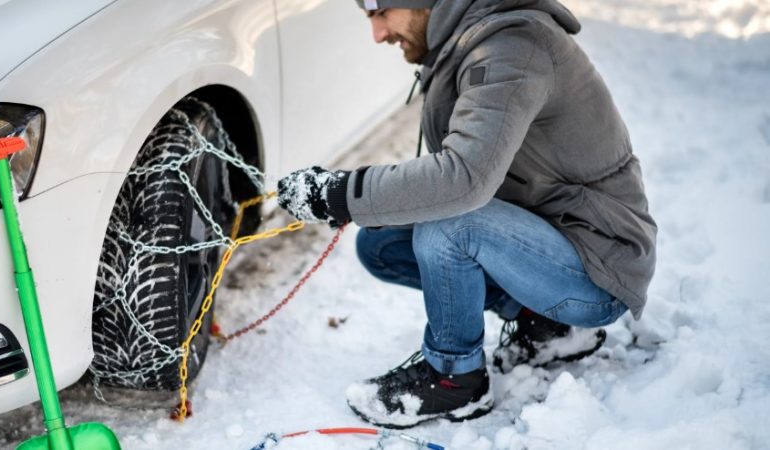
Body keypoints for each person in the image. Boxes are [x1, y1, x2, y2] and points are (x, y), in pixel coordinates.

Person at [276, 0, 657, 429]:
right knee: (381, 244)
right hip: (552, 237)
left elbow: (464, 179)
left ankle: (455, 380)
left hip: (599, 264)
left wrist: (340, 193)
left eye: (379, 14)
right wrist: (359, 200)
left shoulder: (512, 46)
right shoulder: (470, 40)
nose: (378, 34)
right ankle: (548, 324)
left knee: (450, 224)